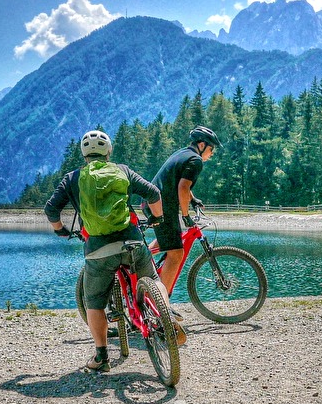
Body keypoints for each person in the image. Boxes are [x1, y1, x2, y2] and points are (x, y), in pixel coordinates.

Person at [44, 129, 168, 373]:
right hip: (132, 242)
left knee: (95, 303)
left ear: (84, 154)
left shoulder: (72, 178)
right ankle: (167, 320)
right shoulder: (123, 170)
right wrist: (157, 218)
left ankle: (102, 357)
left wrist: (60, 230)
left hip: (98, 250)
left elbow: (51, 210)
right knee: (153, 278)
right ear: (108, 151)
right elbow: (154, 193)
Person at [151, 124, 220, 298]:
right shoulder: (195, 160)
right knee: (176, 253)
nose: (211, 154)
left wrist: (193, 199)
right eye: (211, 149)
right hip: (163, 206)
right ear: (202, 145)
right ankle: (161, 303)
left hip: (154, 202)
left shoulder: (183, 153)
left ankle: (143, 260)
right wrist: (186, 215)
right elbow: (182, 186)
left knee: (168, 240)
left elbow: (180, 183)